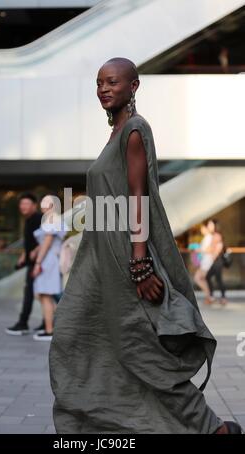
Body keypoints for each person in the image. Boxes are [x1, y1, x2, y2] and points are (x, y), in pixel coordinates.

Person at [48, 58, 242, 434]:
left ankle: (212, 429)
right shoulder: (117, 131)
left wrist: (140, 263)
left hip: (124, 258)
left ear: (133, 86)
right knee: (75, 336)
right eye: (99, 82)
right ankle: (108, 423)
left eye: (113, 82)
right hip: (98, 259)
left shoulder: (134, 130)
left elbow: (138, 197)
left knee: (142, 352)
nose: (104, 88)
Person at [31, 195, 69, 341]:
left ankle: (49, 331)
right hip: (49, 260)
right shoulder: (50, 219)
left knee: (46, 295)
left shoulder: (53, 219)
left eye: (47, 202)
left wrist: (38, 263)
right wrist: (35, 252)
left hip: (48, 262)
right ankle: (51, 328)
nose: (43, 204)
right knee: (45, 296)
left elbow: (47, 243)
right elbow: (44, 242)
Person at [5, 193, 43, 335]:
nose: (23, 207)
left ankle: (23, 323)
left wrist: (35, 252)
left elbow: (47, 239)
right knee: (39, 293)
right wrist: (24, 255)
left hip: (39, 263)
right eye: (22, 204)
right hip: (32, 262)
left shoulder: (39, 219)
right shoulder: (28, 220)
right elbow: (30, 242)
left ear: (34, 205)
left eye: (26, 204)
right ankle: (46, 323)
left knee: (33, 293)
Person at [206, 219, 227, 306]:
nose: (209, 226)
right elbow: (210, 249)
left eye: (210, 225)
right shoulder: (213, 235)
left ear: (215, 226)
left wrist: (213, 255)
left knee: (218, 279)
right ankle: (213, 296)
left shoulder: (217, 235)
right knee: (209, 277)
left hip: (217, 261)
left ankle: (222, 298)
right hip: (215, 261)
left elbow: (218, 248)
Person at [193, 223, 214, 305]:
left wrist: (199, 250)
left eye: (202, 229)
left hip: (207, 262)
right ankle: (208, 297)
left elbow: (209, 250)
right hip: (204, 261)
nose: (201, 231)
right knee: (202, 279)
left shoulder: (209, 237)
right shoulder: (206, 237)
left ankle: (209, 297)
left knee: (197, 278)